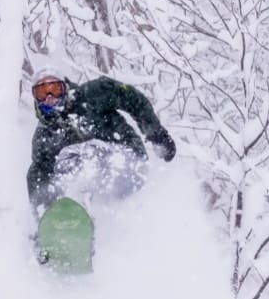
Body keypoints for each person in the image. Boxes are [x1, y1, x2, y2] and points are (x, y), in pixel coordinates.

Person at [26, 68, 176, 213]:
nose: (50, 97)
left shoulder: (92, 94)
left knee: (81, 154)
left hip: (128, 162)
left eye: (55, 89)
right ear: (36, 98)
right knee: (61, 170)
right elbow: (38, 173)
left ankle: (83, 204)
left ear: (65, 88)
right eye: (42, 93)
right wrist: (43, 213)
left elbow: (132, 98)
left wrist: (156, 133)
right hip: (96, 186)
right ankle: (79, 218)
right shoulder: (44, 135)